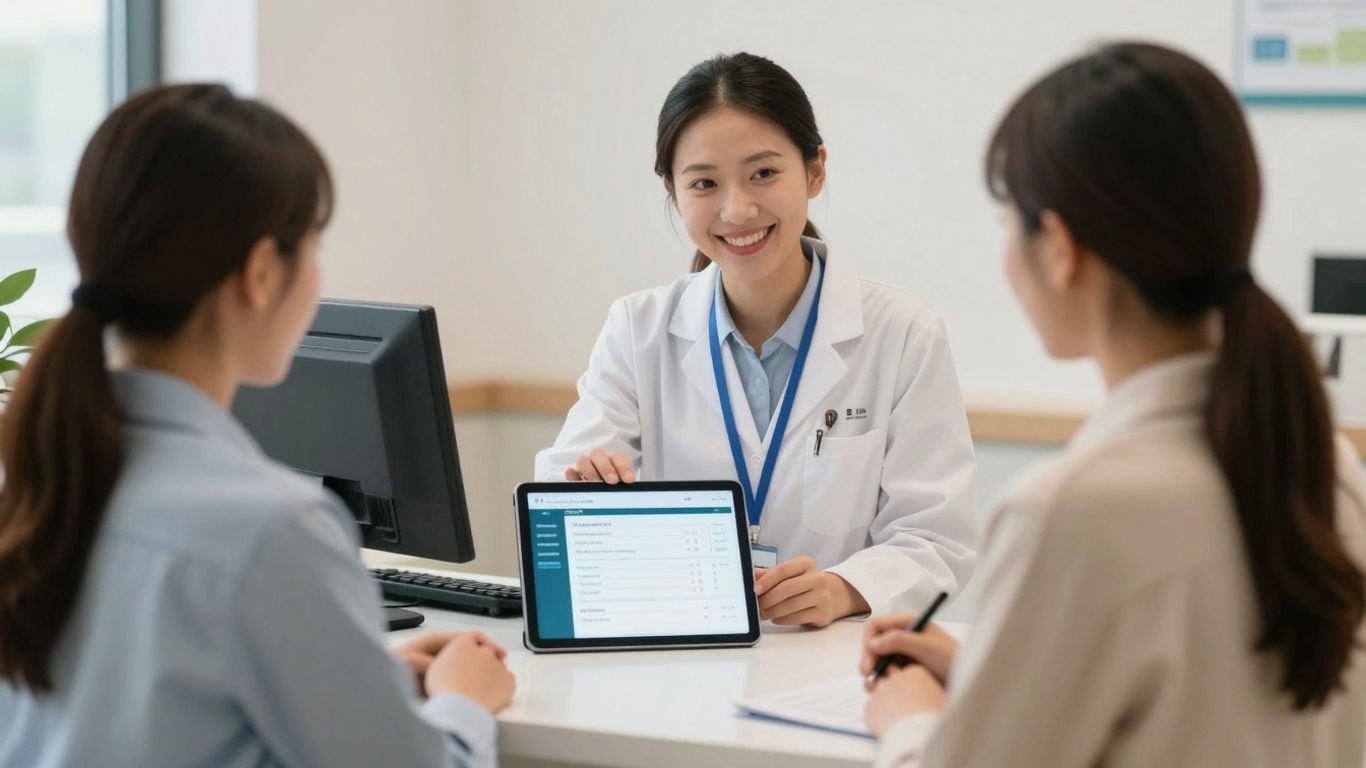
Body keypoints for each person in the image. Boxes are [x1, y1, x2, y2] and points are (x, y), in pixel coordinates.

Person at [861, 42, 1366, 767]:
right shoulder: (1325, 468)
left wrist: (911, 722)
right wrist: (989, 670)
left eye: (1010, 219)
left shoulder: (1073, 512)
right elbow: (1206, 719)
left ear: (1059, 247)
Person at [0, 84, 514, 767]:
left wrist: (368, 674)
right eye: (315, 244)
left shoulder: (35, 482)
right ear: (262, 272)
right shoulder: (273, 529)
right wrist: (464, 703)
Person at [535, 52, 977, 626]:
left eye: (764, 173)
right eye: (704, 183)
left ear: (815, 170)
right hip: (680, 648)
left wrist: (843, 588)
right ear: (673, 192)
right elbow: (557, 508)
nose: (737, 209)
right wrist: (588, 496)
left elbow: (938, 537)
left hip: (836, 662)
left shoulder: (903, 333)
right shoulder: (637, 330)